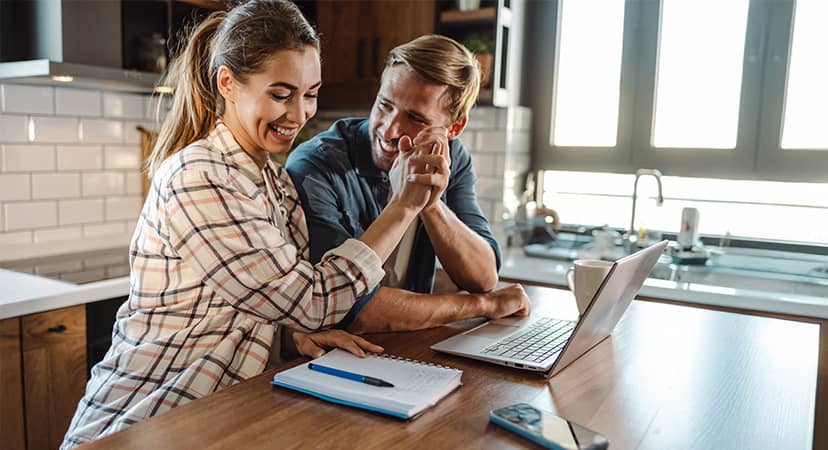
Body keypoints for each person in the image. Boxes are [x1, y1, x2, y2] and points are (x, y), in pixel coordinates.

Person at [62, 1, 432, 447]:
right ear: (228, 84)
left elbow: (249, 309)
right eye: (280, 94)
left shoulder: (272, 181)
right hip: (140, 422)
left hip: (210, 420)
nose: (299, 114)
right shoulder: (199, 176)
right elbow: (312, 300)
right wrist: (403, 206)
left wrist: (292, 339)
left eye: (310, 93)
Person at [285, 34, 530, 339]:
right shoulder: (317, 165)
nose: (389, 129)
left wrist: (431, 203)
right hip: (331, 356)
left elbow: (483, 276)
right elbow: (347, 308)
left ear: (453, 128)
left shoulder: (450, 158)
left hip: (408, 347)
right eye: (384, 105)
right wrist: (479, 306)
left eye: (414, 118)